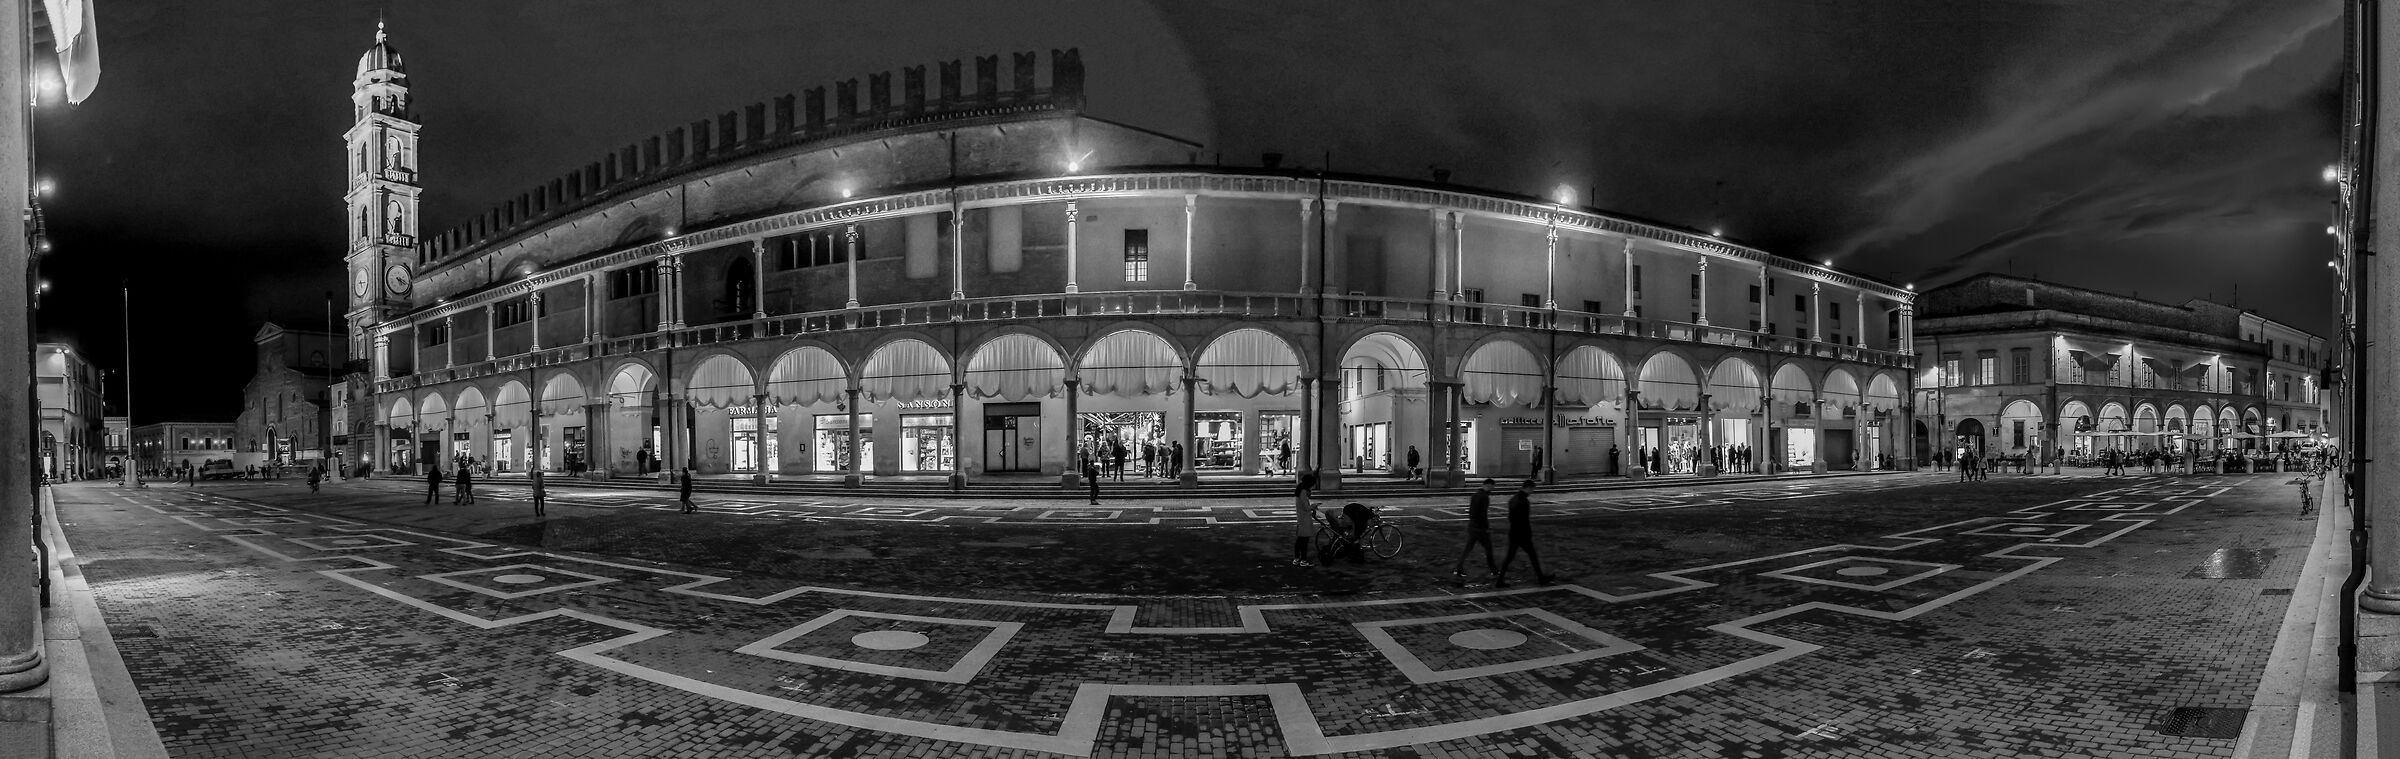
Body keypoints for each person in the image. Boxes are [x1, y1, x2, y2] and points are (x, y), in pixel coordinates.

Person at [1496, 479, 1549, 586]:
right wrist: (1527, 534)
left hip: (1514, 532)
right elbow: (1524, 520)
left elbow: (1511, 517)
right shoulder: (1523, 501)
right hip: (1522, 534)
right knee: (1532, 556)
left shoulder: (1514, 498)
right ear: (1528, 488)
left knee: (1510, 557)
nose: (1532, 492)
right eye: (1532, 489)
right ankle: (1541, 578)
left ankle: (1500, 580)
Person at [1453, 478, 1499, 579]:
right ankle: (1493, 569)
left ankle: (1458, 568)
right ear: (1488, 485)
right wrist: (1486, 527)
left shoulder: (1475, 495)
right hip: (1480, 529)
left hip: (1473, 526)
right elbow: (1483, 514)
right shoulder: (1484, 497)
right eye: (1492, 487)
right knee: (1488, 548)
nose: (1492, 489)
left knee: (1468, 549)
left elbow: (1472, 511)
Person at [1291, 472, 1319, 566]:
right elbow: (1306, 507)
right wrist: (1313, 506)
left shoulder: (1301, 491)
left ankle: (1297, 558)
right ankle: (1303, 559)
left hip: (1302, 517)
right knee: (1304, 540)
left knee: (1300, 540)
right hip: (1304, 519)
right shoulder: (1303, 492)